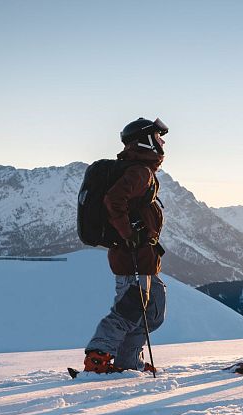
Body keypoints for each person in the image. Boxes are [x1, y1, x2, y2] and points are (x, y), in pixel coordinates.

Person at [83, 117, 169, 374]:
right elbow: (114, 200)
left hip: (141, 254)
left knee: (152, 310)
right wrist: (128, 233)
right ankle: (98, 355)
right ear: (146, 141)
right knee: (132, 307)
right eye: (157, 137)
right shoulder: (139, 171)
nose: (161, 142)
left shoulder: (140, 170)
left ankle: (128, 360)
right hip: (132, 253)